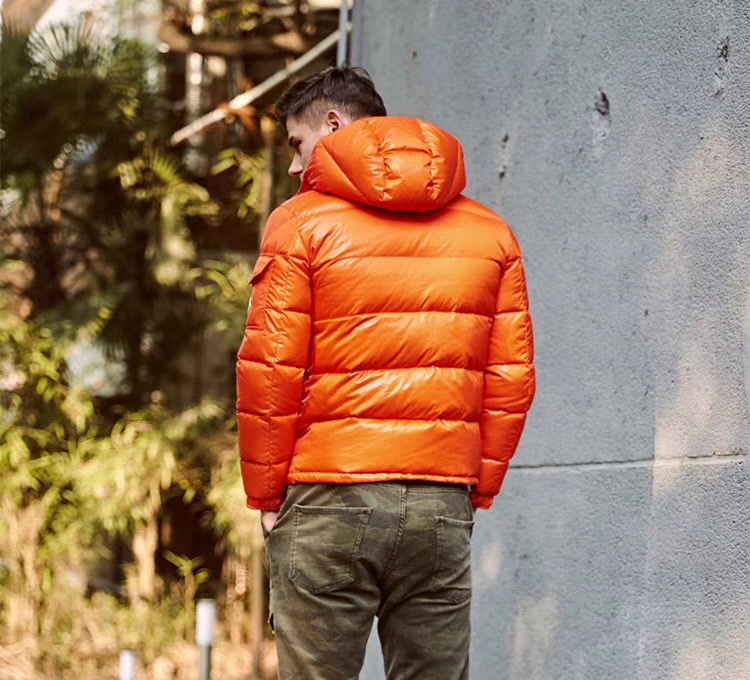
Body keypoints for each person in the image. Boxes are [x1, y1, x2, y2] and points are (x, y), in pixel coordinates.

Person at [236, 66, 536, 680]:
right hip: (440, 502)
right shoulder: (491, 233)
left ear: (334, 124)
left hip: (328, 494)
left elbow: (270, 372)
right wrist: (475, 489)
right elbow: (511, 376)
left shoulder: (300, 224)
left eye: (296, 143)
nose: (293, 166)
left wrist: (266, 497)